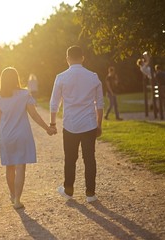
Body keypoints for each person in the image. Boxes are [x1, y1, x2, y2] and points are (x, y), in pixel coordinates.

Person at [49, 46, 104, 203]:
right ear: (82, 58)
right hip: (89, 124)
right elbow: (99, 103)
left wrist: (53, 123)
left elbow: (54, 103)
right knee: (90, 158)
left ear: (67, 59)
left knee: (70, 158)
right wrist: (99, 124)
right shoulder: (93, 77)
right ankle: (90, 194)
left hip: (70, 124)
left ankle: (68, 190)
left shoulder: (61, 77)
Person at [0, 67, 52, 209]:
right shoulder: (24, 94)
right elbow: (34, 114)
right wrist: (47, 128)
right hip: (22, 135)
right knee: (20, 167)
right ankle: (18, 199)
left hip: (6, 136)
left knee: (9, 167)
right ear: (16, 78)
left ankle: (12, 195)